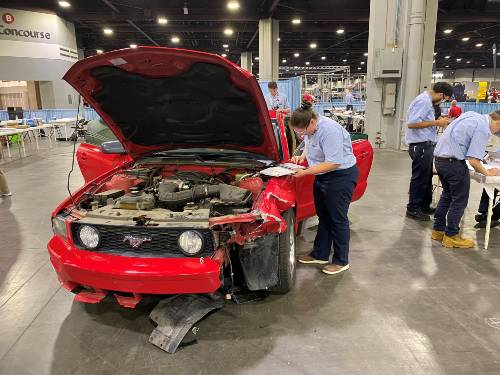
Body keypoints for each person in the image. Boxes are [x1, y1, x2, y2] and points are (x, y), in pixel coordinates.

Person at [291, 101, 358, 275]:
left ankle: (341, 260)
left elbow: (334, 162)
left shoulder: (329, 130)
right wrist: (301, 157)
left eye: (303, 131)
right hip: (322, 175)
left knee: (337, 218)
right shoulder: (310, 127)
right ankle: (320, 253)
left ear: (312, 122)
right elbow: (309, 143)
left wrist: (305, 172)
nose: (301, 134)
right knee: (324, 216)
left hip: (339, 176)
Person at [432, 110, 500, 248]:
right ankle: (451, 236)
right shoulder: (482, 127)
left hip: (440, 160)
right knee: (459, 201)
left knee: (447, 196)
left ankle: (438, 230)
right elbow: (474, 160)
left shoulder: (471, 115)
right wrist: (487, 172)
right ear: (498, 123)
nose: (495, 134)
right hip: (453, 163)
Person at [405, 82, 453, 221]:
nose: (443, 101)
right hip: (419, 145)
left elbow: (424, 121)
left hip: (426, 144)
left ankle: (424, 205)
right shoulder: (423, 101)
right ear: (441, 94)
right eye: (445, 99)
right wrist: (437, 123)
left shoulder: (428, 102)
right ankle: (413, 208)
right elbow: (412, 124)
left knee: (427, 177)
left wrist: (436, 120)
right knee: (419, 178)